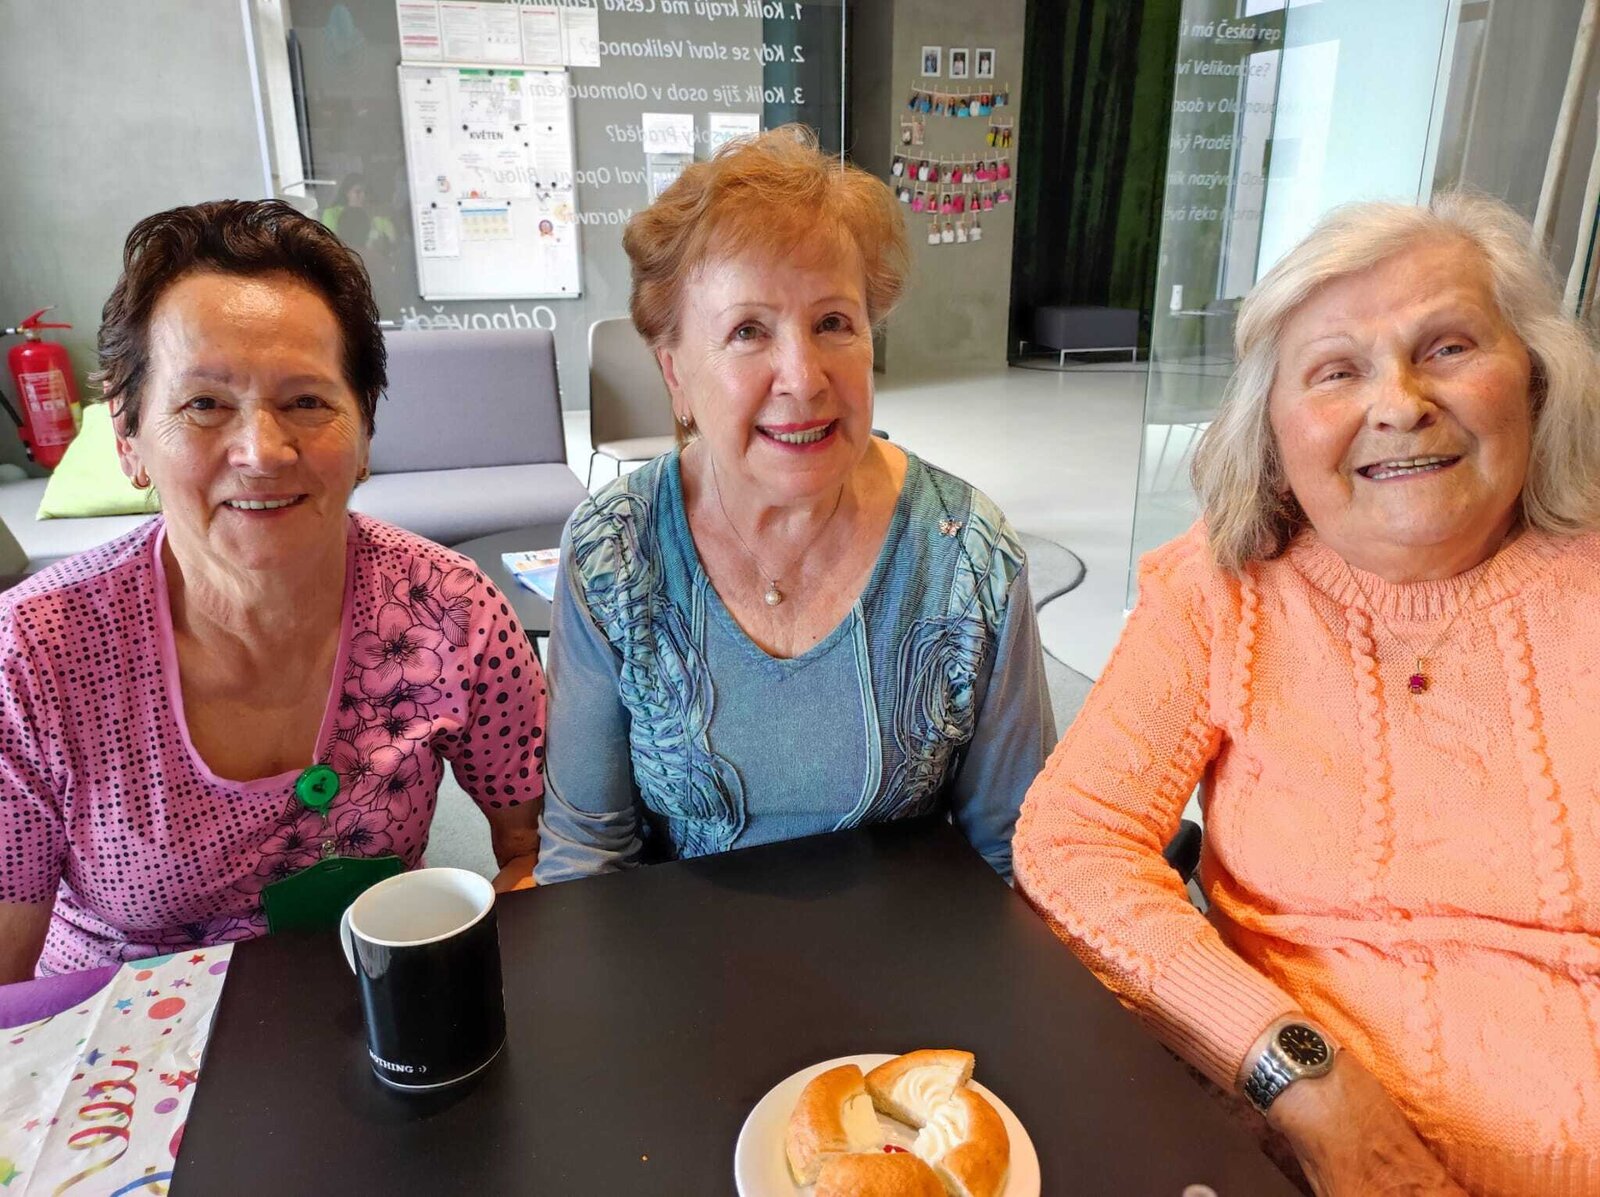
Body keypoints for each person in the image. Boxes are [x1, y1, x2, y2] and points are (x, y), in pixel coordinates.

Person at [1015, 192, 1600, 1195]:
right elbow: (1073, 841)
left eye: (1448, 347)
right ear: (1274, 431)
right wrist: (1304, 1079)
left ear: (1537, 381)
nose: (1400, 403)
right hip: (1278, 1157)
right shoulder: (1227, 587)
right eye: (1337, 370)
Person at [0, 200, 544, 980]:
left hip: (367, 1005)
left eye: (307, 401)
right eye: (204, 404)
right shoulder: (32, 653)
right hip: (124, 1025)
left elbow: (533, 852)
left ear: (365, 432)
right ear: (129, 437)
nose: (261, 451)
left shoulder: (451, 612)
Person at [536, 126, 1052, 883]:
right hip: (679, 949)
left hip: (905, 949)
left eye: (833, 323)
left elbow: (1013, 850)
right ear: (675, 375)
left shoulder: (965, 553)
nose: (804, 377)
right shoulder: (615, 551)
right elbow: (587, 850)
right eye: (748, 331)